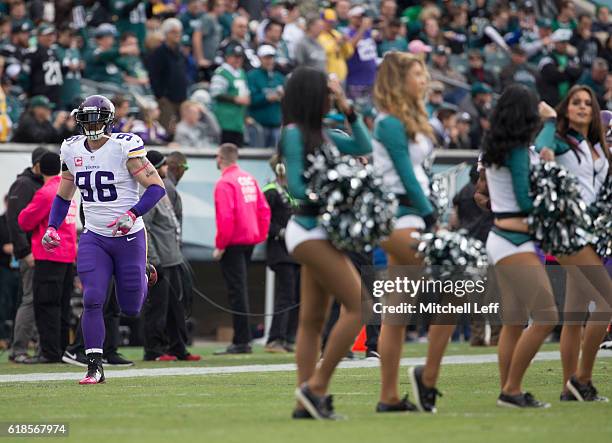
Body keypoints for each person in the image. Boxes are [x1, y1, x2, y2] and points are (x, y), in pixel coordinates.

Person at [43, 95, 166, 384]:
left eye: (98, 118)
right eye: (88, 119)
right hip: (94, 237)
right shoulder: (72, 149)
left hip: (128, 238)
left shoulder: (125, 147)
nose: (93, 124)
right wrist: (52, 227)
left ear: (109, 120)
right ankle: (94, 366)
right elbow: (64, 194)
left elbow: (156, 188)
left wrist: (133, 214)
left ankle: (144, 275)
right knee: (93, 298)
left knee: (131, 308)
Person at [280, 67, 371, 419]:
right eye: (327, 94)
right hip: (307, 229)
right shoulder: (292, 133)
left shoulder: (328, 133)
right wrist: (339, 193)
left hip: (324, 231)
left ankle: (305, 402)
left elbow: (363, 146)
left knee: (312, 320)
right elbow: (297, 188)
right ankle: (316, 387)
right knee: (359, 306)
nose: (331, 98)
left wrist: (348, 107)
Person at [372, 52, 457, 414]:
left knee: (397, 313)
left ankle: (389, 397)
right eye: (418, 74)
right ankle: (427, 377)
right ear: (399, 79)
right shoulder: (390, 122)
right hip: (400, 216)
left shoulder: (409, 119)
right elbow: (406, 174)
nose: (424, 80)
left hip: (411, 216)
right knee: (455, 289)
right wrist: (431, 215)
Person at [482, 84, 559, 408]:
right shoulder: (515, 151)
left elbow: (537, 150)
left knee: (514, 323)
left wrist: (551, 124)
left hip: (505, 238)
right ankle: (511, 388)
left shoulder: (505, 147)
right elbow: (526, 200)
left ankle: (509, 391)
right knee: (546, 317)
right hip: (514, 240)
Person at [535, 86, 612, 402]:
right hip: (570, 232)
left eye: (587, 103)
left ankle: (572, 386)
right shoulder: (560, 140)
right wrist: (551, 122)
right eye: (575, 103)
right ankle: (581, 378)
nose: (582, 107)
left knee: (575, 313)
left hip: (593, 233)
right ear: (566, 109)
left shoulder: (596, 145)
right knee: (606, 304)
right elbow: (542, 150)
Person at [17, 152, 77, 364]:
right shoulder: (68, 188)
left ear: (40, 168)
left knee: (46, 305)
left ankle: (49, 353)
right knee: (62, 306)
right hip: (68, 255)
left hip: (49, 255)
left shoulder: (46, 192)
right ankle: (61, 350)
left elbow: (24, 221)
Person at [142, 150, 200, 362]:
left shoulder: (164, 189)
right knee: (157, 306)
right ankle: (154, 350)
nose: (167, 169)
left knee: (176, 307)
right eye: (163, 165)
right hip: (160, 261)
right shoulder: (150, 191)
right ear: (156, 167)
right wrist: (153, 259)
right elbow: (144, 227)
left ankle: (178, 348)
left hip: (173, 257)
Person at [212, 143, 270, 354]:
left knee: (237, 292)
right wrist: (259, 235)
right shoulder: (249, 178)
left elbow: (226, 218)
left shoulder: (224, 183)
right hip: (249, 241)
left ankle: (241, 341)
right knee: (241, 289)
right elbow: (264, 210)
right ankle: (242, 338)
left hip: (234, 242)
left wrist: (220, 246)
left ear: (220, 158)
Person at [6, 146, 47, 363]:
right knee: (30, 300)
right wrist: (24, 251)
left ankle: (44, 348)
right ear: (37, 164)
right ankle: (19, 349)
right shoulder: (24, 184)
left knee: (41, 301)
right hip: (31, 253)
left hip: (43, 253)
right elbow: (14, 220)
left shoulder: (39, 184)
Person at [263, 154, 299, 353]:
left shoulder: (290, 191)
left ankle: (286, 337)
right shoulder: (270, 191)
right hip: (280, 251)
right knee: (286, 295)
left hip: (294, 251)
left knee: (293, 295)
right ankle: (274, 338)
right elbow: (263, 219)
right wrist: (281, 232)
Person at [147, 18, 189, 134]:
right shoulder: (158, 53)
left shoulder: (180, 53)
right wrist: (160, 95)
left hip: (181, 98)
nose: (177, 35)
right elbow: (153, 76)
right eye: (174, 32)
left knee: (180, 130)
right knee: (167, 129)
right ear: (166, 34)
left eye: (179, 32)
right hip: (166, 100)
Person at [210, 42, 250, 146]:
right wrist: (235, 99)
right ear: (227, 57)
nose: (238, 59)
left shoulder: (241, 72)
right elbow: (216, 93)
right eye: (235, 56)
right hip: (225, 121)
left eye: (240, 57)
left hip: (238, 121)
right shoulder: (221, 72)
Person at [247, 45, 285, 148]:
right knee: (256, 158)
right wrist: (267, 98)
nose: (269, 61)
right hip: (258, 126)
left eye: (271, 58)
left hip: (276, 125)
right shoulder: (252, 76)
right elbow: (250, 99)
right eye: (266, 58)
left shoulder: (279, 77)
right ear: (259, 58)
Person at [24, 23, 63, 108]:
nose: (50, 38)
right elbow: (26, 75)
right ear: (38, 36)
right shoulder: (33, 52)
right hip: (39, 97)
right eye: (47, 35)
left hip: (55, 95)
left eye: (52, 35)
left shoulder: (54, 51)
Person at [0, 195, 19, 350]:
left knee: (18, 305)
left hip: (20, 269)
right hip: (5, 269)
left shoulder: (19, 221)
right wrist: (3, 248)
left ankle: (15, 338)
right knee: (4, 303)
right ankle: (3, 337)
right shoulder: (1, 222)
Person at [192, 0, 224, 81]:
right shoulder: (208, 18)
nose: (223, 8)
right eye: (221, 6)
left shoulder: (215, 19)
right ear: (214, 7)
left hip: (212, 61)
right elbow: (197, 36)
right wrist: (200, 59)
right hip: (205, 62)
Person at [318, 9, 352, 83]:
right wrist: (336, 43)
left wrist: (345, 43)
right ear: (322, 21)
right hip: (328, 77)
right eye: (328, 22)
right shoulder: (318, 35)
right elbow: (323, 51)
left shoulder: (336, 33)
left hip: (342, 77)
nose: (331, 24)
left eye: (332, 22)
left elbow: (349, 53)